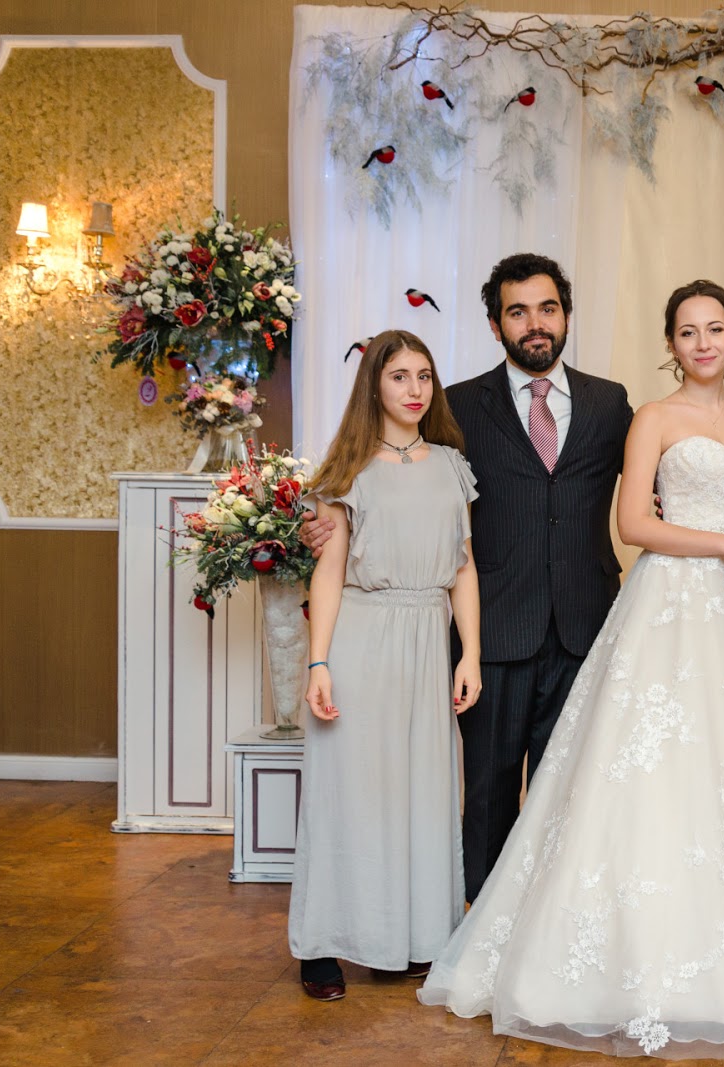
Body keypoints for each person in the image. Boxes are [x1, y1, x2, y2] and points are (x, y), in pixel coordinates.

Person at [418, 279, 724, 1058]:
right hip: (668, 605)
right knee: (644, 769)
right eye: (687, 331)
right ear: (670, 343)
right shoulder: (651, 416)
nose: (702, 342)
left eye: (715, 328)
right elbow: (632, 524)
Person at [303, 253, 633, 902]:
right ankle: (481, 926)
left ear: (567, 315)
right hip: (494, 633)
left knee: (575, 794)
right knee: (485, 793)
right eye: (518, 312)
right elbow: (397, 488)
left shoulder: (610, 403)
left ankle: (556, 924)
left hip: (587, 628)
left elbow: (662, 476)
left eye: (547, 308)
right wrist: (317, 526)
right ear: (494, 324)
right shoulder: (455, 407)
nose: (535, 324)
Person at [290, 329, 482, 1001]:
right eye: (399, 376)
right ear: (374, 385)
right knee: (350, 793)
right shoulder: (348, 470)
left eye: (424, 375)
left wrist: (471, 654)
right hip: (363, 638)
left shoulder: (452, 466)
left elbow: (463, 569)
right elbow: (329, 573)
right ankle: (321, 945)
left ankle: (401, 939)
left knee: (421, 794)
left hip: (429, 638)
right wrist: (319, 662)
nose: (414, 389)